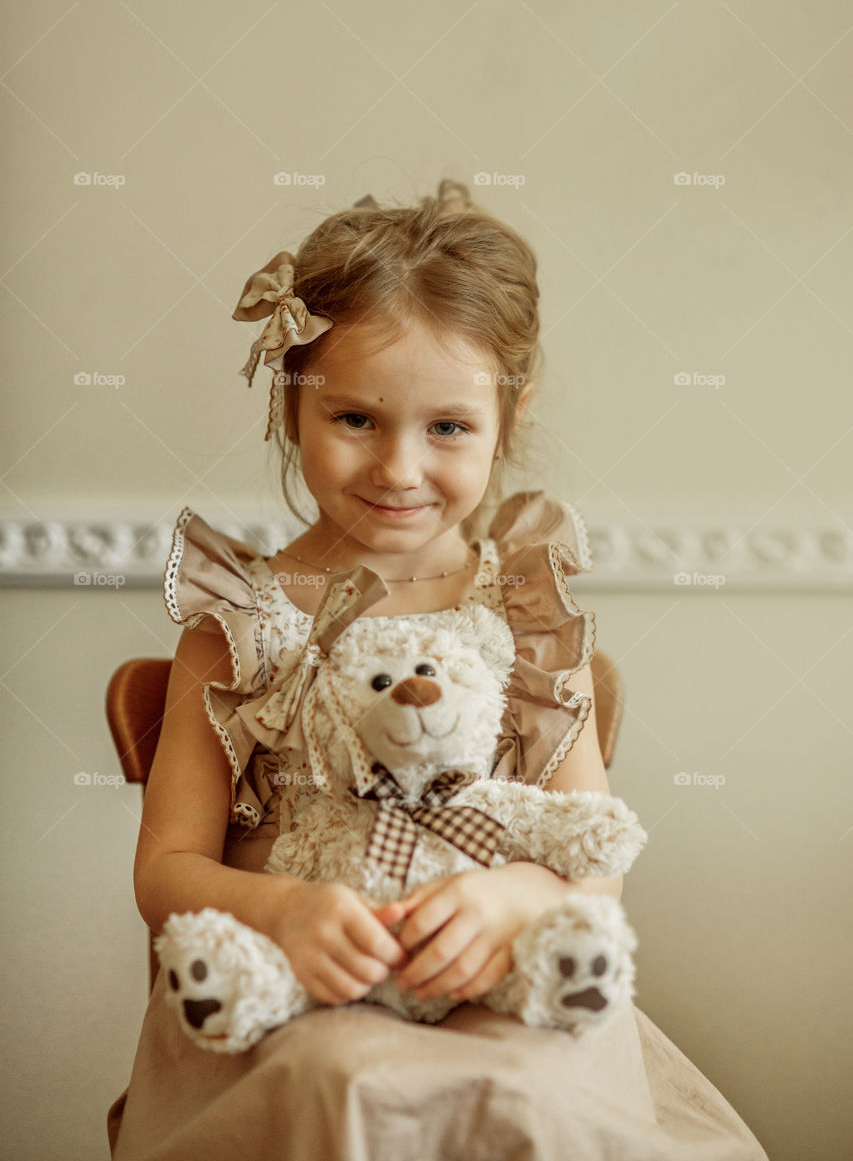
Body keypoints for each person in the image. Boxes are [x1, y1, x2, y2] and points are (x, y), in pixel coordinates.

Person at [107, 181, 769, 1160]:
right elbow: (165, 869)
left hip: (495, 992)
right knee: (346, 1078)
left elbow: (595, 866)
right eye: (357, 419)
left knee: (526, 1083)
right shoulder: (236, 621)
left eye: (446, 426)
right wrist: (283, 907)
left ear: (510, 413)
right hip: (295, 1001)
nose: (400, 468)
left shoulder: (529, 616)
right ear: (295, 402)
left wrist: (517, 899)